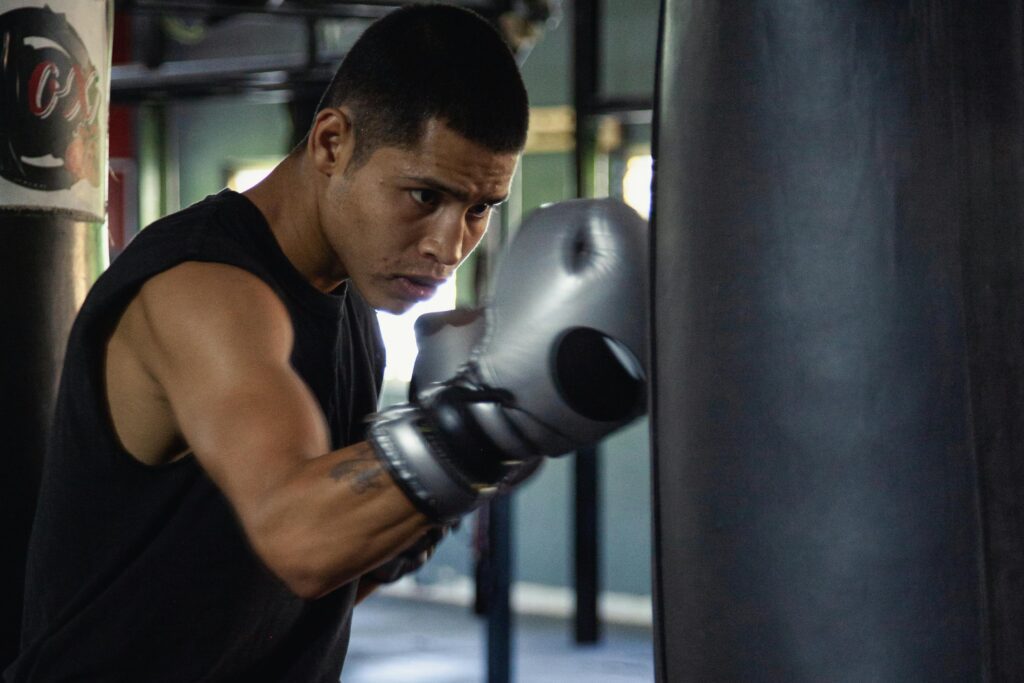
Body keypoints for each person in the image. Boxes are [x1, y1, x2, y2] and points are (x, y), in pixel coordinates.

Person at [5, 5, 528, 681]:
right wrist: (476, 427)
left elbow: (311, 588)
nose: (448, 245)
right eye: (424, 195)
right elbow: (301, 540)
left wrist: (414, 512)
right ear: (332, 143)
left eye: (479, 208)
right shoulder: (202, 289)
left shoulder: (353, 313)